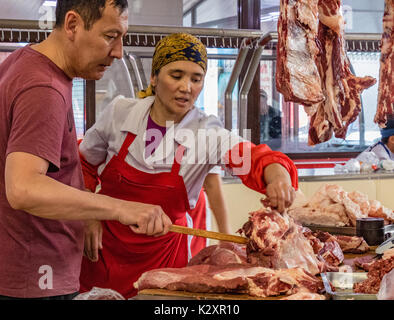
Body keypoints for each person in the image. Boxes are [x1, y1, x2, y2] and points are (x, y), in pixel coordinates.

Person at [78, 33, 298, 298]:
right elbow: (83, 165)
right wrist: (88, 214)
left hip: (164, 264)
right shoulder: (119, 113)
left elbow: (255, 158)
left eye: (196, 79)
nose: (186, 87)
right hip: (102, 250)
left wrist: (277, 176)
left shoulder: (206, 132)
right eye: (176, 75)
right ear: (154, 78)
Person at [0, 0, 173, 300]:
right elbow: (23, 187)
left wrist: (88, 213)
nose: (118, 52)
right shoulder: (44, 89)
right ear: (72, 25)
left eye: (122, 38)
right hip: (35, 278)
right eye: (110, 36)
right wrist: (120, 208)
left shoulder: (25, 62)